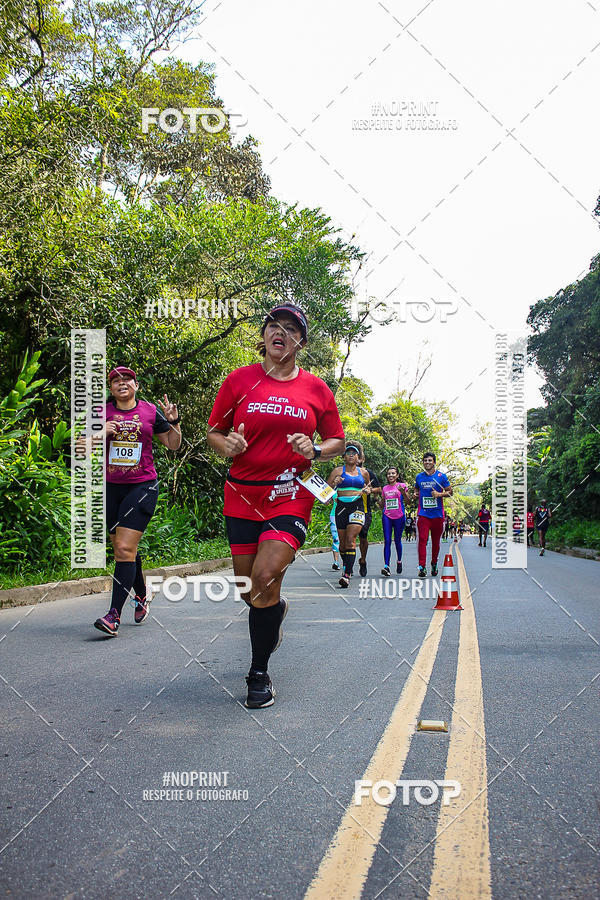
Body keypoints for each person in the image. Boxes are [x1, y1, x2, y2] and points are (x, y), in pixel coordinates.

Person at [207, 303, 344, 709]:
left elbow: (335, 438)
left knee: (265, 577)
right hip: (242, 494)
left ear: (301, 342)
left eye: (290, 328)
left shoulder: (316, 389)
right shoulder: (239, 381)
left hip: (291, 492)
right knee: (250, 589)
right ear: (264, 334)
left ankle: (258, 673)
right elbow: (215, 431)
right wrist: (226, 444)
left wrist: (316, 448)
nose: (280, 332)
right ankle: (275, 612)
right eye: (273, 325)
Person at [92, 367, 182, 636]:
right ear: (111, 388)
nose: (122, 383)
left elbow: (173, 445)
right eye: (116, 380)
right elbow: (80, 446)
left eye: (127, 380)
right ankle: (142, 595)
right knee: (124, 550)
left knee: (122, 547)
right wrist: (100, 433)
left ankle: (113, 615)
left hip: (142, 486)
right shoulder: (100, 412)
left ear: (136, 385)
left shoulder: (150, 411)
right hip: (110, 488)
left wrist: (174, 422)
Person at [327, 443, 371, 588]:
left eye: (354, 453)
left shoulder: (363, 472)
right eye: (348, 453)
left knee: (351, 539)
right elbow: (325, 490)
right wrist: (334, 483)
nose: (351, 455)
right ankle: (348, 565)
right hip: (341, 507)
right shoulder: (337, 471)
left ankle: (346, 574)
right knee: (342, 544)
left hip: (357, 506)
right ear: (344, 456)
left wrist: (367, 491)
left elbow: (368, 487)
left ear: (358, 457)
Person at [412, 452, 452, 578]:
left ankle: (434, 563)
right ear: (423, 462)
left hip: (438, 515)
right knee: (422, 540)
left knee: (436, 542)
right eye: (425, 460)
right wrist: (415, 494)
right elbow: (416, 489)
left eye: (430, 460)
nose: (427, 462)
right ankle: (422, 567)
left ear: (434, 462)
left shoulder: (441, 476)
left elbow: (450, 492)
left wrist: (439, 495)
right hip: (423, 514)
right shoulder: (419, 477)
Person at [380, 466, 409, 576]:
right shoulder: (385, 488)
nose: (391, 475)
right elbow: (382, 504)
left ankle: (399, 561)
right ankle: (386, 566)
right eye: (389, 474)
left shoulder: (402, 486)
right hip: (387, 516)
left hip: (399, 516)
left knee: (397, 540)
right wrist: (379, 499)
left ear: (397, 475)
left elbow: (408, 501)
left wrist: (403, 493)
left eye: (393, 473)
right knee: (387, 540)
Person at [357, 452, 381, 576]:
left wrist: (370, 490)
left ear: (362, 459)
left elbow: (379, 488)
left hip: (365, 510)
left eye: (358, 456)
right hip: (347, 509)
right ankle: (347, 564)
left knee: (363, 537)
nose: (356, 458)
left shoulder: (368, 473)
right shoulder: (343, 472)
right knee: (346, 540)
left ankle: (363, 560)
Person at [329, 491, 341, 570]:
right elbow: (327, 502)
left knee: (345, 539)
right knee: (336, 539)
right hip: (334, 515)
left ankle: (347, 563)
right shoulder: (332, 490)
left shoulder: (348, 485)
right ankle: (336, 562)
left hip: (345, 515)